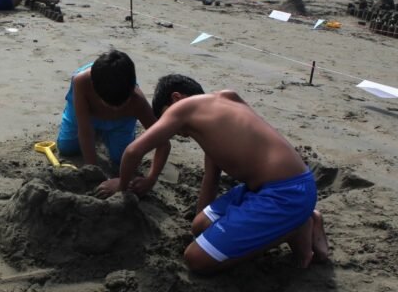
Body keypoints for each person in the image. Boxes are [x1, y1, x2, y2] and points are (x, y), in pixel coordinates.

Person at [116, 75, 328, 274]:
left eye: (164, 117)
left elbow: (133, 151)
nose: (178, 133)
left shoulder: (182, 109)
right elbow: (212, 177)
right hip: (267, 188)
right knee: (200, 226)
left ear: (176, 98)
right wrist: (199, 230)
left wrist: (121, 187)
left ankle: (297, 225)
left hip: (285, 194)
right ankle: (305, 217)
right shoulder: (227, 99)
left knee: (196, 259)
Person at [57, 50, 170, 197]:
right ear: (96, 91)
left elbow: (164, 143)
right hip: (86, 112)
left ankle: (110, 132)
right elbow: (85, 131)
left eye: (121, 105)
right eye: (109, 104)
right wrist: (94, 171)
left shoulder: (138, 101)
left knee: (121, 159)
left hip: (120, 122)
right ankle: (99, 131)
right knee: (67, 147)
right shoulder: (81, 82)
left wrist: (150, 179)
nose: (115, 108)